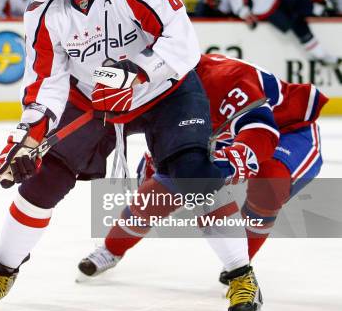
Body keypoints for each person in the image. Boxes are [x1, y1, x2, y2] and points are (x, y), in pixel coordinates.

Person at [0, 0, 264, 311]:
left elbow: (182, 43)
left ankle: (240, 275)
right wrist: (30, 132)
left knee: (194, 174)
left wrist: (137, 73)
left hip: (164, 92)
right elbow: (44, 81)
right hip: (93, 100)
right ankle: (1, 270)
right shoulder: (45, 8)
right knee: (44, 178)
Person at [79, 53, 327, 287]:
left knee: (270, 186)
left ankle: (238, 268)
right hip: (223, 132)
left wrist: (232, 162)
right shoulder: (161, 84)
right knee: (155, 197)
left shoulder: (227, 78)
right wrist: (159, 159)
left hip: (287, 130)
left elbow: (261, 131)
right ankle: (111, 249)